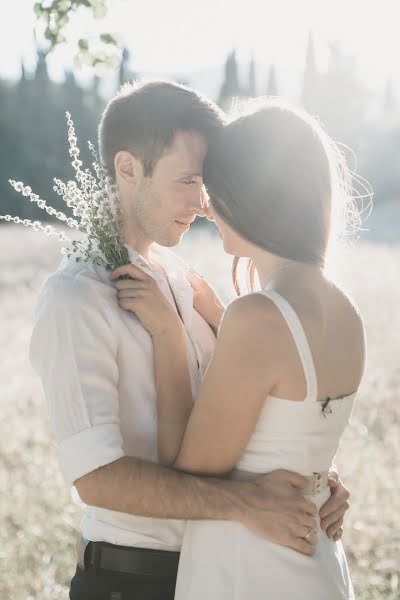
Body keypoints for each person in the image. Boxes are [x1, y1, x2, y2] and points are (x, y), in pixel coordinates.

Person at [30, 82, 351, 600]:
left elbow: (246, 410)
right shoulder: (76, 297)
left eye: (208, 182)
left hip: (225, 570)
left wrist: (317, 478)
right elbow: (98, 480)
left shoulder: (185, 282)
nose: (204, 203)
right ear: (128, 168)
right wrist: (247, 503)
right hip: (134, 581)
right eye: (188, 181)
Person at [111, 98, 365, 599]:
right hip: (317, 568)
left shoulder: (260, 318)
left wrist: (168, 336)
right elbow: (295, 431)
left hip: (250, 571)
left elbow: (186, 473)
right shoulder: (345, 312)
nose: (204, 206)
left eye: (212, 188)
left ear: (248, 194)